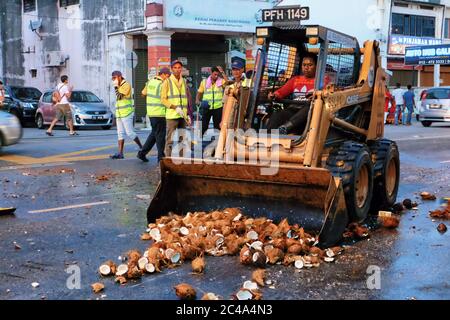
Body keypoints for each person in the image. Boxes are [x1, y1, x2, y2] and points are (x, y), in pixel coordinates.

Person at [267, 53, 321, 135]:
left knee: (310, 106)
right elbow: (281, 92)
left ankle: (285, 128)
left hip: (309, 114)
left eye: (310, 65)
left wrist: (316, 95)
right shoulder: (295, 80)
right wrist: (274, 95)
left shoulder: (322, 80)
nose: (306, 68)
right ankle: (266, 138)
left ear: (317, 66)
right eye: (304, 65)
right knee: (277, 115)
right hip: (293, 109)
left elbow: (326, 93)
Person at [137, 68, 172, 163]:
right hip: (159, 113)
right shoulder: (162, 84)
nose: (168, 78)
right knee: (160, 136)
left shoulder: (150, 82)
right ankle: (161, 157)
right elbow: (164, 99)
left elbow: (143, 94)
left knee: (154, 134)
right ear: (164, 74)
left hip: (151, 113)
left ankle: (142, 153)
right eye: (168, 76)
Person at [110, 71, 143, 160]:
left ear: (120, 77)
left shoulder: (126, 85)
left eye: (115, 77)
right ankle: (120, 153)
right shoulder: (118, 85)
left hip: (127, 113)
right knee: (120, 133)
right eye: (113, 78)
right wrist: (116, 86)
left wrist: (116, 86)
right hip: (119, 113)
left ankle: (142, 147)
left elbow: (119, 96)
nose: (114, 80)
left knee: (130, 133)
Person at [161, 60, 191, 158]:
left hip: (183, 115)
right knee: (170, 140)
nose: (177, 70)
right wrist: (174, 107)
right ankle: (168, 160)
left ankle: (182, 160)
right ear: (171, 69)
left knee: (182, 139)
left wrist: (189, 114)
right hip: (172, 116)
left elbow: (186, 98)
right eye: (175, 68)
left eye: (179, 68)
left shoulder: (184, 81)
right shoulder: (167, 82)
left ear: (181, 69)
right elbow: (163, 100)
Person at [196, 66, 225, 135]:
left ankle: (218, 143)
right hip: (207, 107)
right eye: (215, 74)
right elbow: (199, 92)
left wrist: (223, 73)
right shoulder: (204, 82)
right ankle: (199, 142)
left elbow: (229, 84)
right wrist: (197, 100)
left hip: (218, 108)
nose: (216, 76)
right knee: (204, 126)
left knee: (218, 127)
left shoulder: (221, 81)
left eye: (217, 74)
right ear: (211, 73)